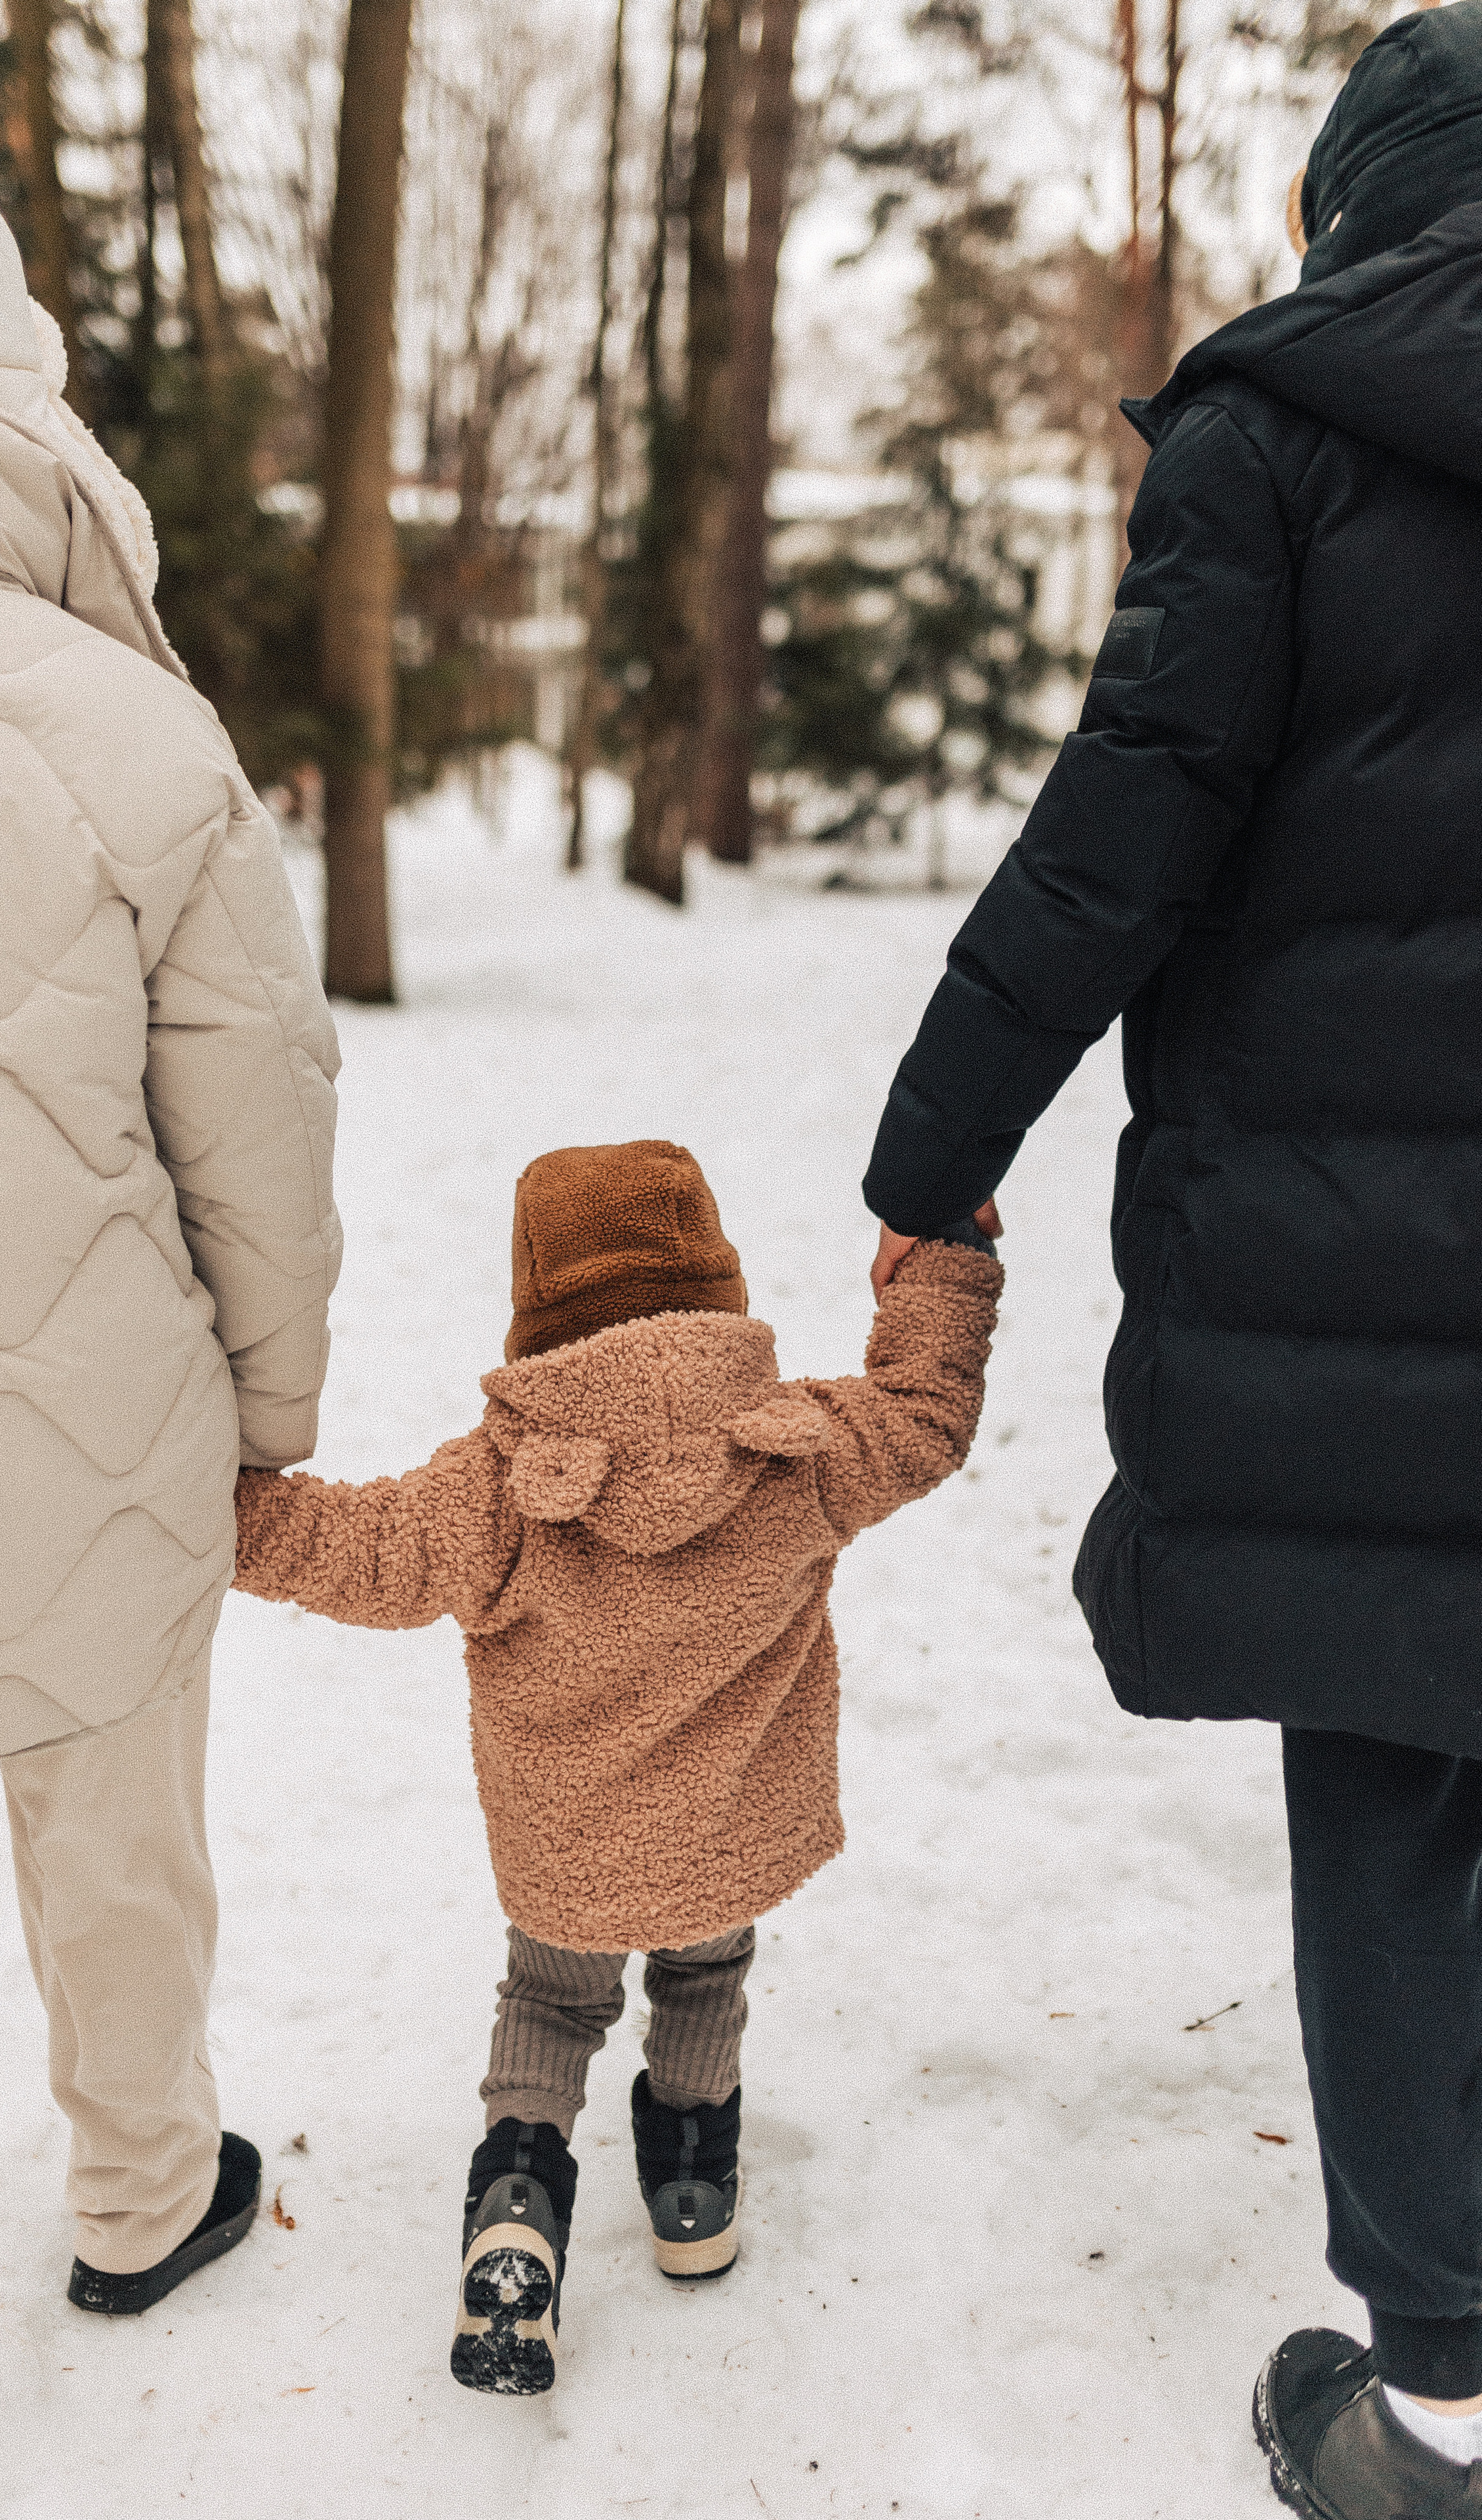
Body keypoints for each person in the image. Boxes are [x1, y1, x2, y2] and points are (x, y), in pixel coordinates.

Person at [860, 7, 1482, 2511]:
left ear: (1351, 205)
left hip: (1356, 1284)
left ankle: (1439, 2398)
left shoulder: (1282, 439)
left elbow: (1133, 819)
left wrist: (936, 1144)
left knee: (1402, 1763)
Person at [0, 139, 340, 2504]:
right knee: (116, 1843)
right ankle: (143, 2202)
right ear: (17, 401)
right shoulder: (136, 732)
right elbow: (265, 1132)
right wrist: (273, 1414)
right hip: (91, 1444)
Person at [231, 1139, 1000, 2395]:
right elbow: (926, 1414)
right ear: (717, 1278)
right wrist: (945, 1264)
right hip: (731, 1831)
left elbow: (352, 1548)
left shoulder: (494, 1489)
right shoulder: (798, 1448)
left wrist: (201, 1502)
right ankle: (694, 2194)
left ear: (534, 1307)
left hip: (568, 1854)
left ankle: (517, 2218)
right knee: (706, 1975)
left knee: (550, 2004)